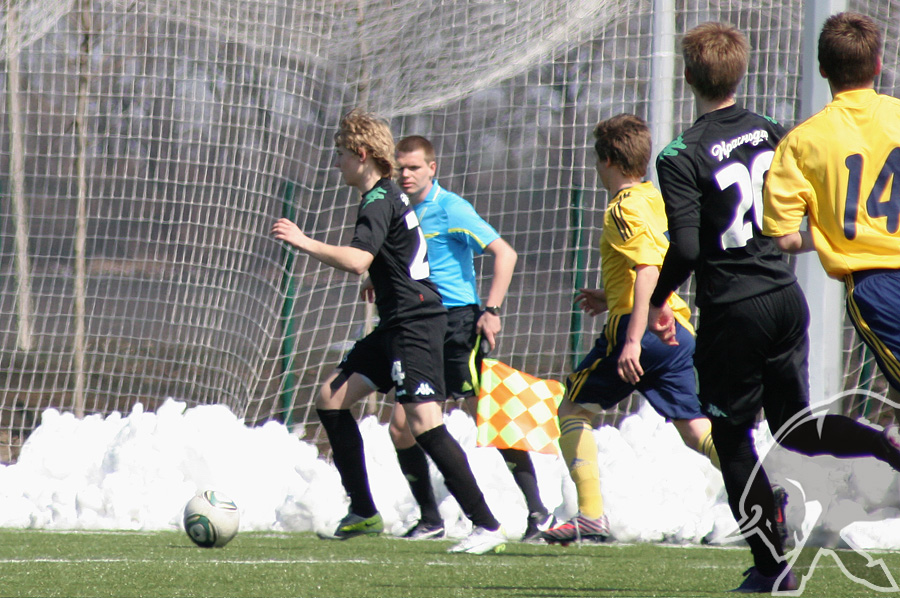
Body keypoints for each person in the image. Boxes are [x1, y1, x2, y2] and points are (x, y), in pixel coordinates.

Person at [647, 22, 900, 593]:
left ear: (688, 77)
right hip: (786, 299)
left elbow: (686, 247)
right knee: (795, 429)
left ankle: (771, 569)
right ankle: (884, 447)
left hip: (733, 309)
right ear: (741, 73)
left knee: (732, 436)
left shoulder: (680, 154)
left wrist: (660, 300)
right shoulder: (773, 131)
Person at [271, 109, 506, 554]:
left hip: (415, 324)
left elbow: (358, 259)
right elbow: (395, 255)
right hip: (396, 321)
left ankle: (486, 524)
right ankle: (363, 511)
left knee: (423, 423)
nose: (337, 163)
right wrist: (381, 280)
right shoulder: (388, 195)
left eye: (341, 154)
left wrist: (304, 241)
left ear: (361, 154)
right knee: (331, 398)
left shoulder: (379, 199)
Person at [540, 114, 721, 545]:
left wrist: (633, 339)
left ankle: (590, 515)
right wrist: (610, 295)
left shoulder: (622, 207)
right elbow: (658, 259)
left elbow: (648, 267)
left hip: (639, 330)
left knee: (573, 410)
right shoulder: (656, 199)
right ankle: (765, 484)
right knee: (696, 430)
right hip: (677, 328)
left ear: (606, 160)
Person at [382, 135, 555, 542]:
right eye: (400, 167)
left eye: (414, 167)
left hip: (457, 324)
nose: (406, 174)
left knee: (488, 416)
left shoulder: (450, 208)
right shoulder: (399, 210)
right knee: (402, 426)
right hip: (419, 324)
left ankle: (538, 511)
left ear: (432, 168)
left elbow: (505, 253)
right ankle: (430, 519)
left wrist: (491, 310)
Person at [762, 11, 900, 425]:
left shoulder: (801, 142)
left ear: (823, 69)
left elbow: (785, 238)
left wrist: (824, 233)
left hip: (874, 285)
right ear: (877, 64)